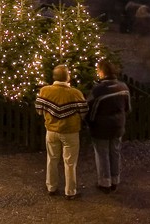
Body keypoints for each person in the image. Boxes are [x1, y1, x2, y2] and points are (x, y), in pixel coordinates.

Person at [36, 63, 87, 198]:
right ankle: (70, 191)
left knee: (52, 159)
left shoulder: (45, 91)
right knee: (70, 163)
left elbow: (39, 110)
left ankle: (51, 187)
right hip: (70, 132)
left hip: (51, 130)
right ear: (67, 77)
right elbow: (83, 112)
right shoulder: (76, 93)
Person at [84, 58, 131, 192]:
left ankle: (105, 183)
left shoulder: (99, 90)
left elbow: (90, 109)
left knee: (102, 154)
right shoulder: (123, 87)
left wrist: (89, 123)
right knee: (115, 152)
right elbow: (128, 108)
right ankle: (115, 180)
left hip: (101, 128)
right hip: (118, 126)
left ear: (102, 72)